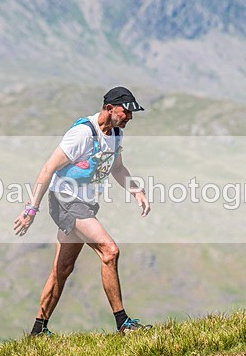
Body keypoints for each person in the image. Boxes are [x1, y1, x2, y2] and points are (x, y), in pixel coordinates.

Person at [12, 86, 152, 336]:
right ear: (109, 108)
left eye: (132, 113)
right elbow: (48, 169)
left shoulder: (116, 133)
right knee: (110, 251)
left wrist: (136, 191)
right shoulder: (82, 134)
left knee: (63, 268)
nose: (130, 117)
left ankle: (37, 330)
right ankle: (123, 324)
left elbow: (117, 167)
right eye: (126, 111)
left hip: (84, 203)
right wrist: (31, 210)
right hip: (65, 202)